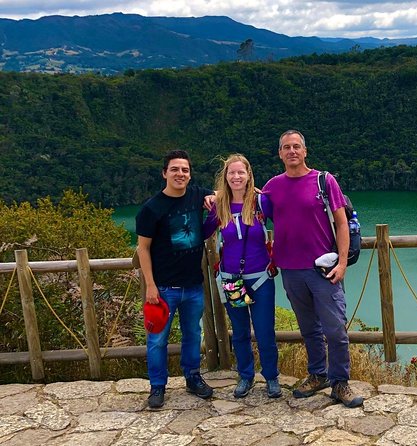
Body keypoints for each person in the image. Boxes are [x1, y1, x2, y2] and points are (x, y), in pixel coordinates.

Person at [262, 130, 363, 408]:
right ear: (280, 154)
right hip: (291, 270)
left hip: (323, 269)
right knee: (309, 328)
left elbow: (342, 223)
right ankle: (318, 374)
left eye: (296, 146)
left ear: (305, 151)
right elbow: (247, 201)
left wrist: (342, 263)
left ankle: (340, 381)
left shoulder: (324, 180)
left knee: (335, 329)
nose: (292, 151)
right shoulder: (272, 186)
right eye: (286, 147)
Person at [135, 150, 214, 409]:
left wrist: (214, 196)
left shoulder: (197, 195)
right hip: (164, 288)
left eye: (185, 170)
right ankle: (157, 386)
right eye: (175, 169)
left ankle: (192, 377)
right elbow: (142, 249)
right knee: (157, 339)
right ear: (164, 173)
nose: (180, 174)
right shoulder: (151, 209)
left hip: (193, 284)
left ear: (190, 174)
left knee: (193, 334)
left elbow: (224, 193)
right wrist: (150, 285)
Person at [203, 154, 281, 399]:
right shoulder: (220, 206)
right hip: (232, 277)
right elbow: (204, 231)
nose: (236, 177)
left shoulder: (261, 202)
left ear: (249, 175)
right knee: (239, 332)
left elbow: (285, 222)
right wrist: (203, 201)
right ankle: (245, 376)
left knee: (264, 330)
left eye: (240, 173)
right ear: (225, 177)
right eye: (231, 173)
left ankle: (271, 377)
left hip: (260, 277)